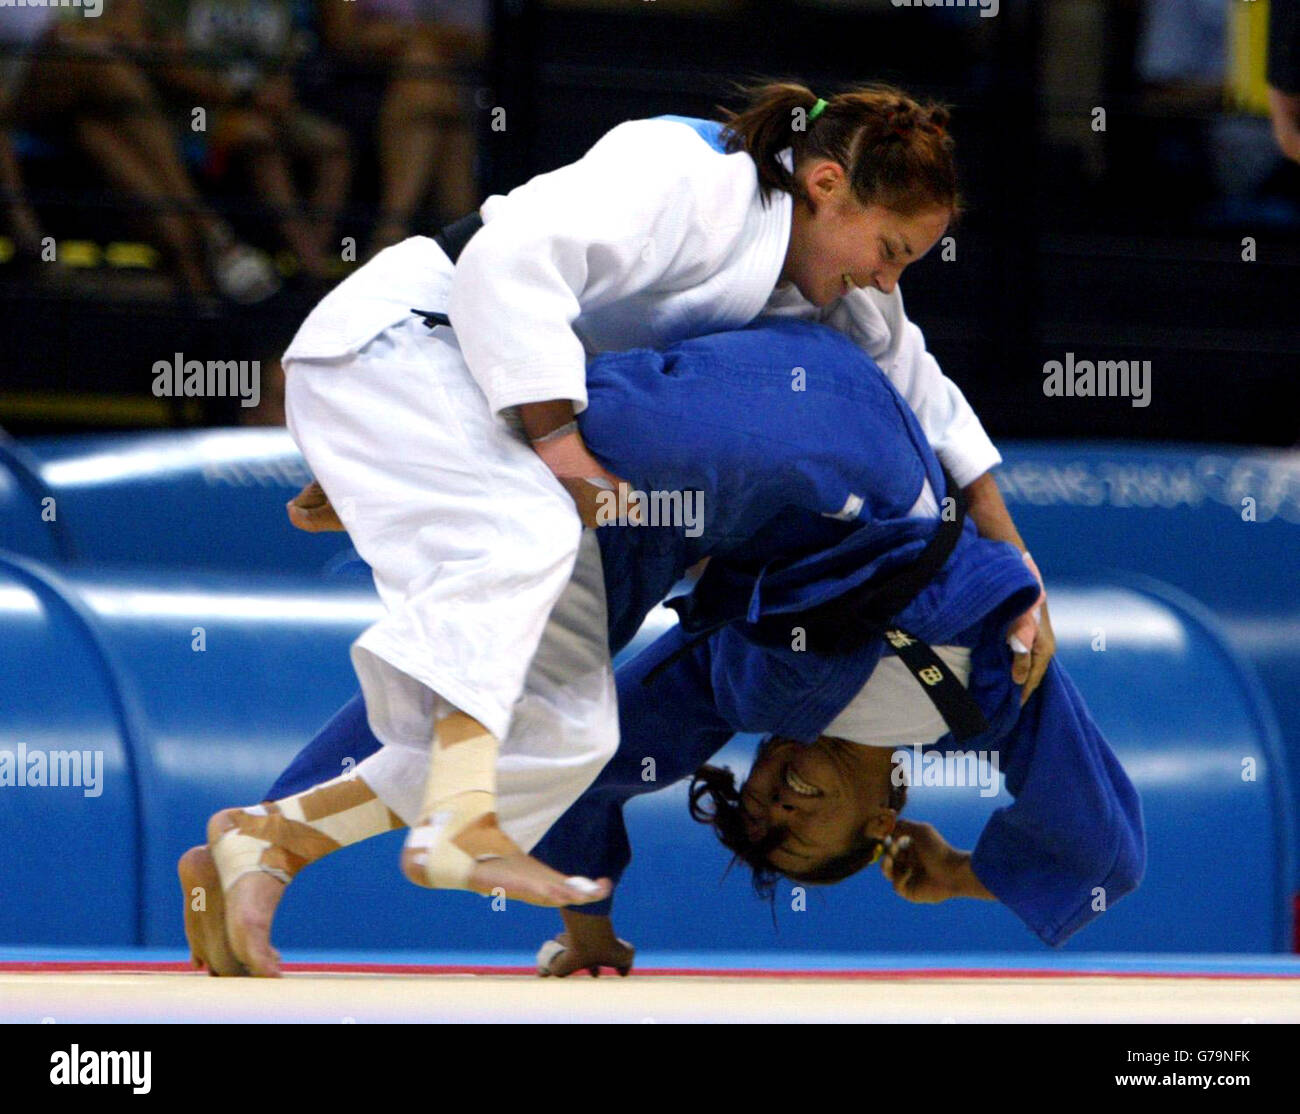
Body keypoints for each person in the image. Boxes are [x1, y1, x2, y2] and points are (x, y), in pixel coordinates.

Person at [211, 81, 1057, 962]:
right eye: (889, 250)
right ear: (827, 184)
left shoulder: (830, 288)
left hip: (469, 406)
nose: (888, 278)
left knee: (569, 714)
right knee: (526, 544)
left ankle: (267, 840)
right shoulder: (691, 175)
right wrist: (558, 444)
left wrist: (1019, 567)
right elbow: (505, 264)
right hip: (412, 336)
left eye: (905, 265)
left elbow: (930, 403)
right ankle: (458, 820)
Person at [182, 316, 1140, 978]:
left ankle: (270, 836)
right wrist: (963, 875)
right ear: (887, 814)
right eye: (802, 830)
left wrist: (591, 930)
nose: (776, 806)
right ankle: (414, 465)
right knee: (614, 478)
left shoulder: (731, 693)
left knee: (521, 684)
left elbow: (594, 782)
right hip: (842, 436)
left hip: (701, 484)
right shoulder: (986, 696)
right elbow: (1101, 844)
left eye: (758, 818)